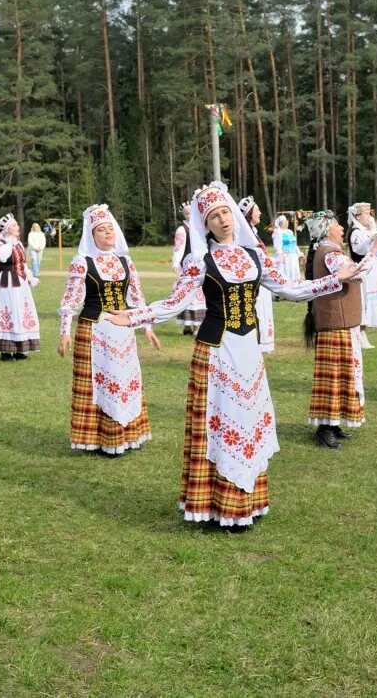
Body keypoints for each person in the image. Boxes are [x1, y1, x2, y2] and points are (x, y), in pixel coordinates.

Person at [106, 182, 357, 529]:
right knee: (219, 425)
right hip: (216, 351)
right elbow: (174, 303)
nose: (223, 220)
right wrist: (133, 317)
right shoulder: (200, 262)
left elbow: (292, 289)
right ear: (205, 224)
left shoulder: (254, 256)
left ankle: (246, 501)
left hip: (249, 351)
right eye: (215, 216)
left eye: (226, 212)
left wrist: (333, 280)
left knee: (248, 423)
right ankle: (216, 505)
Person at [58, 205, 161, 455]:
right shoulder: (83, 262)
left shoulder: (125, 262)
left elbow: (136, 297)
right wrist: (65, 331)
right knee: (98, 384)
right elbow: (71, 300)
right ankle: (98, 438)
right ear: (92, 235)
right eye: (101, 230)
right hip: (93, 330)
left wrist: (146, 326)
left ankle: (128, 433)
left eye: (110, 229)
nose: (107, 233)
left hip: (122, 330)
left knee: (124, 380)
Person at [303, 211, 377, 446]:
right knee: (334, 378)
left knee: (342, 376)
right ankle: (325, 427)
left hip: (338, 323)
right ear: (326, 230)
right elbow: (356, 274)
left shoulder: (329, 252)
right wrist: (374, 250)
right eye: (337, 225)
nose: (342, 228)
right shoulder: (330, 254)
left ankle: (332, 423)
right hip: (335, 324)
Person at [0, 214, 41, 361]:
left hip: (21, 282)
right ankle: (6, 351)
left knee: (22, 312)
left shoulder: (18, 243)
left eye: (17, 224)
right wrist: (9, 242)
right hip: (7, 281)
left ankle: (20, 348)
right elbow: (2, 257)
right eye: (14, 225)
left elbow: (22, 263)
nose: (17, 227)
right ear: (6, 229)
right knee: (9, 311)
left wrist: (30, 277)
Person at [238, 196, 275, 353]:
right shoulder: (246, 236)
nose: (260, 213)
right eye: (257, 210)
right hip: (255, 279)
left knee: (262, 310)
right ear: (249, 213)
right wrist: (274, 261)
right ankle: (257, 344)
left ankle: (262, 343)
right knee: (257, 310)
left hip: (262, 276)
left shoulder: (252, 233)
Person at [346, 202, 377, 349]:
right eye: (366, 214)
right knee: (362, 302)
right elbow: (359, 250)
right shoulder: (355, 232)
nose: (369, 216)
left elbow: (375, 249)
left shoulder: (366, 230)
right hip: (361, 270)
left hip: (370, 270)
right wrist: (371, 240)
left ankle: (362, 333)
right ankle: (359, 334)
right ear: (358, 216)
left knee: (368, 302)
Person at [171, 199, 207, 335]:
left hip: (201, 265)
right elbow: (179, 247)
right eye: (187, 213)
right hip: (188, 266)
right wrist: (176, 262)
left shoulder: (200, 227)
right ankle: (187, 326)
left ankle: (197, 326)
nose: (189, 215)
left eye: (191, 212)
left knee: (199, 294)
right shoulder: (182, 229)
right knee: (187, 293)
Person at [272, 215, 301, 282]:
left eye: (286, 221)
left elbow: (294, 244)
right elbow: (277, 246)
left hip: (293, 257)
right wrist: (281, 255)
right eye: (284, 221)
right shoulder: (277, 232)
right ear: (280, 223)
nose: (286, 222)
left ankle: (294, 284)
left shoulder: (290, 232)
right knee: (286, 273)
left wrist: (299, 253)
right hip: (285, 256)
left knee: (294, 272)